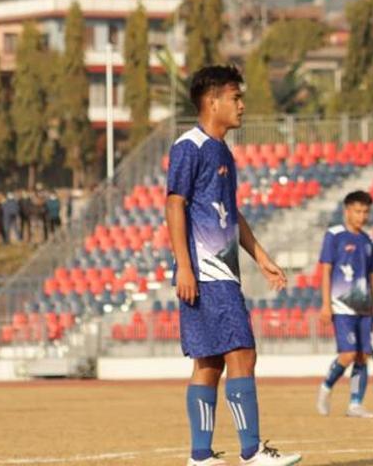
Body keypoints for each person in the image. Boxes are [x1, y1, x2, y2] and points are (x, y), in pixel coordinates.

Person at [165, 64, 301, 466]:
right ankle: (252, 450)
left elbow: (230, 212)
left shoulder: (222, 150)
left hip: (221, 271)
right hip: (208, 273)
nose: (242, 105)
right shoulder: (189, 146)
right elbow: (175, 203)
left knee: (209, 361)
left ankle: (200, 457)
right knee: (242, 352)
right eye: (235, 97)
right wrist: (184, 267)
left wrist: (260, 258)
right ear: (212, 101)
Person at [316, 190, 373, 418]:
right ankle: (326, 387)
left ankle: (355, 403)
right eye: (357, 211)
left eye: (365, 211)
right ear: (347, 211)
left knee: (363, 356)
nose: (362, 216)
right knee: (348, 354)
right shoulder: (334, 235)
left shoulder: (368, 239)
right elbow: (325, 270)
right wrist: (326, 304)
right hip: (342, 305)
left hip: (365, 307)